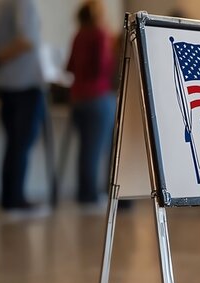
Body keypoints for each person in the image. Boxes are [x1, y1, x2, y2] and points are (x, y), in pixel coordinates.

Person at [0, 0, 46, 214]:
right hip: (25, 81)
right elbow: (27, 40)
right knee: (21, 143)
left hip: (5, 83)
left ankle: (9, 199)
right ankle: (15, 200)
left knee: (14, 143)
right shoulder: (22, 2)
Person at [66, 0, 116, 206]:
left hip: (77, 98)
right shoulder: (101, 34)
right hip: (98, 97)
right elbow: (104, 66)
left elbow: (69, 66)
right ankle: (92, 196)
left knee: (86, 149)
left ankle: (84, 193)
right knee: (99, 149)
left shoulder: (78, 35)